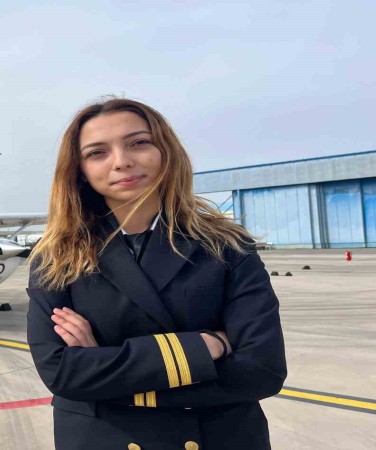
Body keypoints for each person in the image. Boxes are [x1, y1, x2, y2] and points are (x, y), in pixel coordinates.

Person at [27, 98, 286, 450]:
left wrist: (104, 370)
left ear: (166, 151)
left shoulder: (227, 245)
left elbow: (262, 371)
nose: (122, 161)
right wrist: (208, 346)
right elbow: (61, 373)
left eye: (138, 142)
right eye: (97, 153)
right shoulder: (57, 255)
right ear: (80, 170)